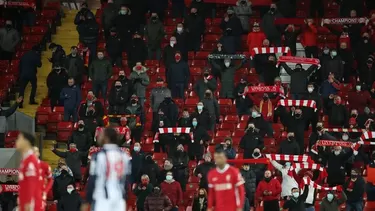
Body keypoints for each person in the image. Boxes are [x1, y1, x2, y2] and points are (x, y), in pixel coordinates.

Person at [82, 127, 132, 211]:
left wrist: (87, 200)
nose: (99, 137)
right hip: (119, 200)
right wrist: (127, 201)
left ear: (106, 138)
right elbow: (127, 181)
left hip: (102, 199)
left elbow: (93, 179)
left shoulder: (98, 156)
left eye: (101, 135)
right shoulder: (124, 156)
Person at [207, 146, 245, 211]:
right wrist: (209, 207)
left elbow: (241, 190)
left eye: (220, 157)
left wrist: (239, 207)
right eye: (216, 158)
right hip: (219, 208)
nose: (218, 160)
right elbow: (211, 193)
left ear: (225, 158)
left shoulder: (234, 171)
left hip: (233, 208)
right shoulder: (211, 174)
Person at [15, 132, 43, 211]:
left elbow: (32, 183)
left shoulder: (30, 161)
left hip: (31, 206)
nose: (16, 141)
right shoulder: (25, 160)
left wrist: (29, 202)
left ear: (26, 142)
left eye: (19, 138)